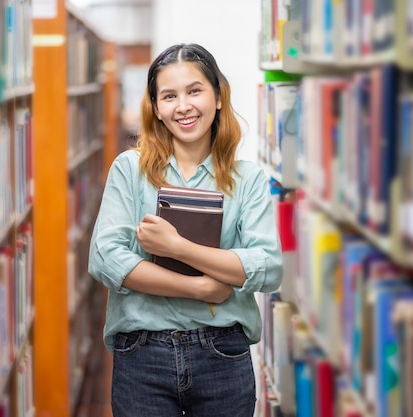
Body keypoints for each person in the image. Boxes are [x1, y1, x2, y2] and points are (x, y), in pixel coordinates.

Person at [88, 43, 283, 417]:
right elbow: (105, 258)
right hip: (142, 355)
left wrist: (178, 247)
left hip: (223, 355)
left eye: (195, 91)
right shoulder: (130, 170)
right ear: (156, 108)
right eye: (169, 96)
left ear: (218, 96)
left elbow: (266, 266)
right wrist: (200, 287)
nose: (183, 106)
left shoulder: (248, 179)